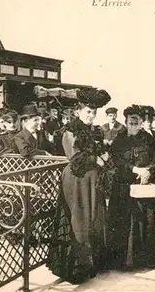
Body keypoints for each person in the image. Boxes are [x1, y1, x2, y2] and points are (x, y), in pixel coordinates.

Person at [47, 87, 111, 283]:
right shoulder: (71, 130)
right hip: (77, 180)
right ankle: (77, 267)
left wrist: (103, 155)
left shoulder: (93, 130)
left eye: (94, 112)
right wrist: (98, 159)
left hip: (93, 181)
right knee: (79, 219)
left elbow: (98, 151)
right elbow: (74, 158)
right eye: (87, 112)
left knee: (94, 217)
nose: (91, 115)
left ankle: (93, 262)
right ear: (78, 111)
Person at [107, 104, 155, 270]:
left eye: (136, 123)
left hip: (143, 185)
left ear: (140, 123)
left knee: (144, 222)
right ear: (126, 122)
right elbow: (116, 159)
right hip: (123, 185)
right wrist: (134, 169)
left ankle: (144, 259)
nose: (133, 126)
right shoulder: (120, 138)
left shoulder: (148, 138)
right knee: (125, 222)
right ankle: (124, 261)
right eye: (130, 123)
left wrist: (148, 171)